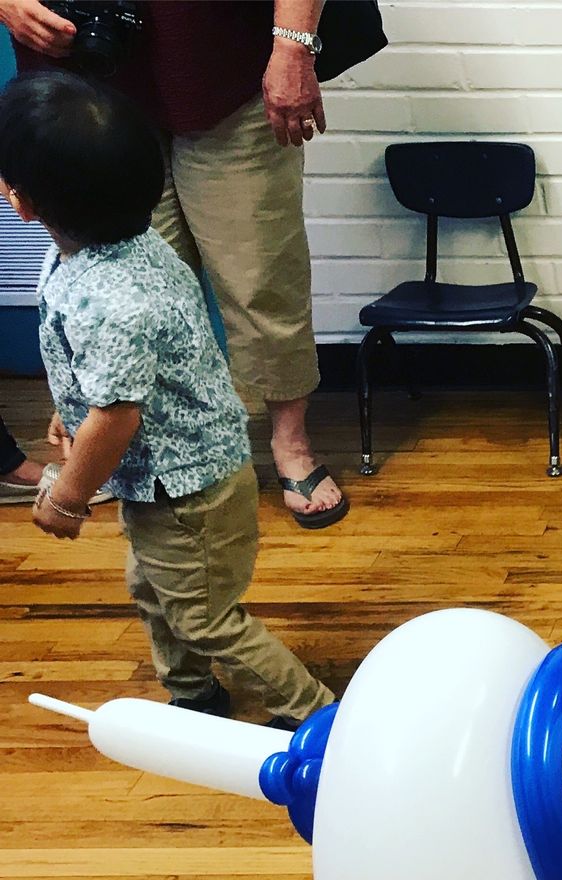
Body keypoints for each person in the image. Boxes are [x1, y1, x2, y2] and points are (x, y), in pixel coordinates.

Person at [2, 71, 333, 726]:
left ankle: (320, 716)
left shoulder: (117, 298)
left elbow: (118, 413)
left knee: (207, 619)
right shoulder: (99, 251)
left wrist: (67, 494)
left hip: (191, 494)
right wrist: (69, 410)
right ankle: (193, 697)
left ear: (26, 204)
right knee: (153, 592)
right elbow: (102, 376)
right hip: (157, 484)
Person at [0, 0, 348, 528]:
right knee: (120, 284)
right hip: (81, 73)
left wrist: (292, 45)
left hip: (223, 63)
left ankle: (290, 443)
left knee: (258, 270)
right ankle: (129, 462)